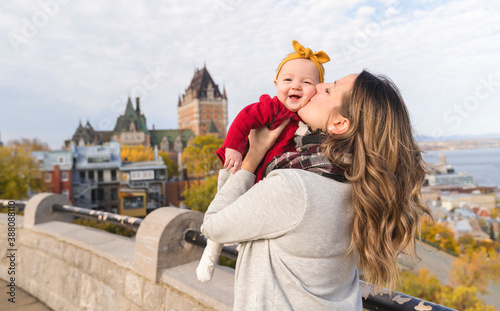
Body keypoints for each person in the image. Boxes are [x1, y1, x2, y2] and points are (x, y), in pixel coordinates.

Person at [201, 70, 431, 310]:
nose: (318, 86)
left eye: (329, 89)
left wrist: (252, 157)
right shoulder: (359, 182)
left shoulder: (293, 187)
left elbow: (213, 226)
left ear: (340, 123)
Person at [196, 40, 330, 282]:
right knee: (222, 213)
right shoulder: (272, 108)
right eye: (288, 80)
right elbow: (243, 119)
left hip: (267, 178)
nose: (295, 86)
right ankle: (211, 252)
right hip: (243, 168)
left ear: (317, 90)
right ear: (276, 83)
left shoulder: (310, 119)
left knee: (245, 219)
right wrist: (234, 148)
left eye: (306, 82)